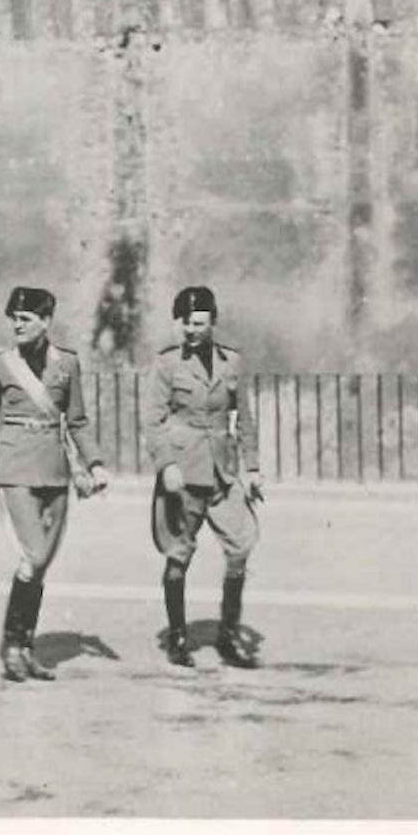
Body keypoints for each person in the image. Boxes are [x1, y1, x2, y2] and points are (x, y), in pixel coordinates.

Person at [0, 285, 108, 683]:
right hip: (15, 468)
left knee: (41, 565)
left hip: (55, 471)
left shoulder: (66, 364)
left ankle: (26, 647)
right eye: (14, 319)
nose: (18, 324)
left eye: (26, 318)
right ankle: (12, 644)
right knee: (33, 556)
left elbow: (79, 421)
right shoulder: (1, 364)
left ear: (46, 321)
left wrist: (96, 463)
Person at [143, 284, 262, 669]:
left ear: (213, 321)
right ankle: (178, 636)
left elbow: (244, 418)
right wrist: (167, 465)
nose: (191, 330)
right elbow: (153, 421)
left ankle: (228, 635)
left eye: (198, 322)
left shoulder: (233, 363)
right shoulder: (167, 364)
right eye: (185, 323)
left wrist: (254, 468)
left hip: (223, 472)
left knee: (240, 547)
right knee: (179, 556)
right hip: (184, 471)